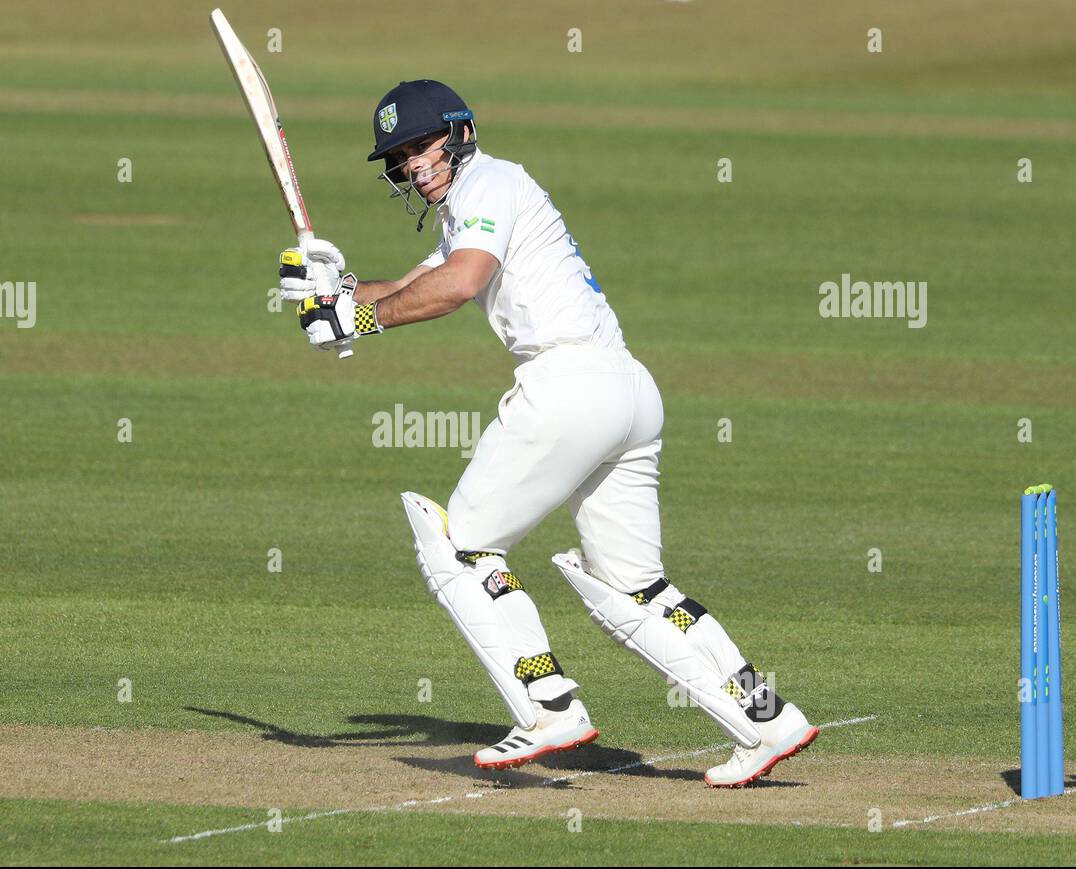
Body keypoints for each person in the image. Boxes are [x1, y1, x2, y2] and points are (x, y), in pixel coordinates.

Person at [279, 79, 818, 786]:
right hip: (626, 390)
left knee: (460, 547)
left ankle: (548, 705)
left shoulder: (489, 185)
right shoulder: (481, 203)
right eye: (400, 157)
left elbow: (460, 285)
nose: (414, 165)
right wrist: (336, 295)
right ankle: (766, 717)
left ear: (459, 132)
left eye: (421, 147)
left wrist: (359, 320)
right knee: (633, 588)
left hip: (567, 388)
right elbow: (418, 281)